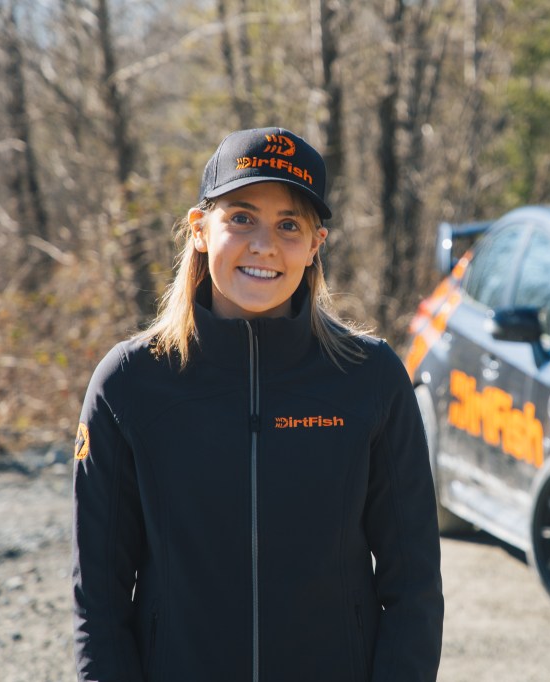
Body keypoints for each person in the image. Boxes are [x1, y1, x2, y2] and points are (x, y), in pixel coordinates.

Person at [72, 127, 444, 681]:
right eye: (241, 217)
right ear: (200, 230)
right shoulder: (129, 383)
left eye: (289, 225)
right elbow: (98, 601)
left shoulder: (370, 378)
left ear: (316, 244)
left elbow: (413, 586)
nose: (264, 245)